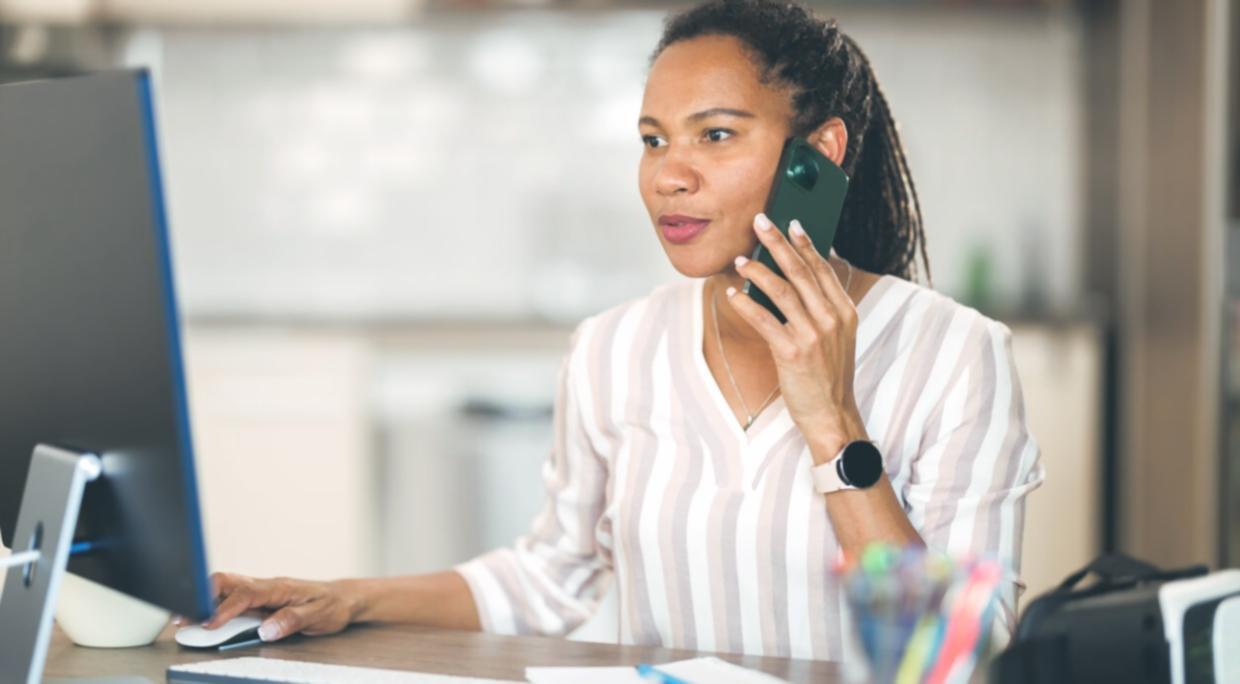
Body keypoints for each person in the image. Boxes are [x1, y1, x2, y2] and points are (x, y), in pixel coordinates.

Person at [202, 0, 1045, 661]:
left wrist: (831, 421)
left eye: (715, 135)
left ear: (816, 155)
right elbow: (551, 576)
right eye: (652, 141)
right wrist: (350, 598)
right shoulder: (614, 348)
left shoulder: (956, 356)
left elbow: (955, 655)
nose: (668, 177)